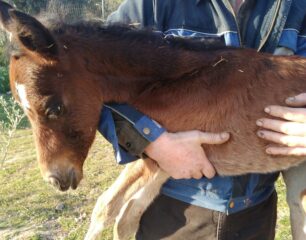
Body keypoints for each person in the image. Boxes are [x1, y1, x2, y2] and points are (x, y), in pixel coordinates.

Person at [99, 0, 306, 239]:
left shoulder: (295, 8)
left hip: (255, 216)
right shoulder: (153, 5)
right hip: (173, 212)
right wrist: (151, 141)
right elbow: (87, 80)